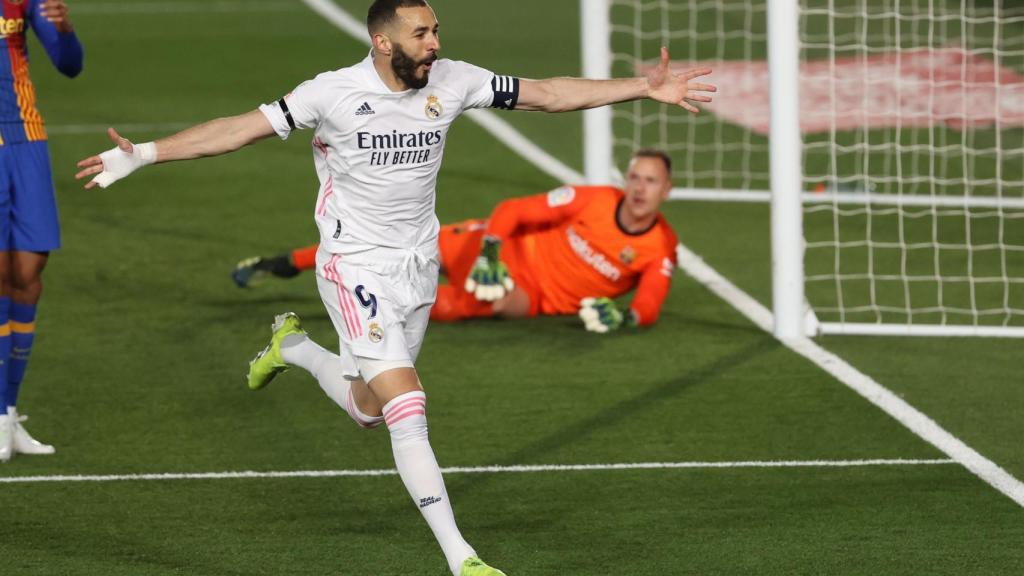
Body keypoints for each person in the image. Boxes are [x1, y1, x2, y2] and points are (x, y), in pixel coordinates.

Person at [74, 1, 714, 573]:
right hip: (354, 266)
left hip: (419, 267)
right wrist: (147, 154)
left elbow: (545, 92)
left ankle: (292, 349)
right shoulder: (330, 94)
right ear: (383, 42)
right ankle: (461, 557)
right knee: (408, 408)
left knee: (366, 408)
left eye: (436, 30)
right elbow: (238, 128)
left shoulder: (455, 80)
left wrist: (641, 88)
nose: (435, 41)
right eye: (422, 32)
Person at [234, 149, 680, 334]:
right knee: (390, 247)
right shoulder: (593, 199)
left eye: (651, 182)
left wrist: (623, 318)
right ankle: (284, 262)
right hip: (493, 249)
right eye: (636, 178)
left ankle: (372, 307)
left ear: (666, 190)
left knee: (457, 300)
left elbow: (652, 305)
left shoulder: (660, 247)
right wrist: (492, 250)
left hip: (530, 294)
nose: (640, 188)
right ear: (626, 180)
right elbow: (512, 211)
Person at [0, 0, 83, 463]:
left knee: (28, 277)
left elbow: (70, 65)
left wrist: (65, 29)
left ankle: (9, 412)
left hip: (27, 140)